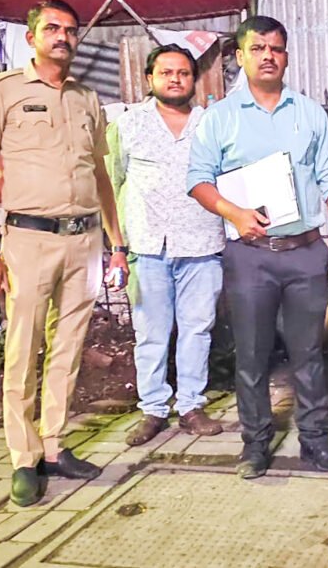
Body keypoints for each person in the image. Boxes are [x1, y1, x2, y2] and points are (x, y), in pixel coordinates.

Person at [0, 0, 128, 506]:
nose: (63, 36)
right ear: (32, 37)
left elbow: (100, 176)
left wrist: (117, 243)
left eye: (71, 30)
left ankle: (54, 445)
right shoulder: (2, 91)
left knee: (69, 347)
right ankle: (23, 457)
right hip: (28, 240)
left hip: (85, 241)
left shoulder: (87, 98)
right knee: (23, 350)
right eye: (53, 28)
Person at [188, 16, 328, 479]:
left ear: (286, 56)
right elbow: (198, 180)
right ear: (240, 57)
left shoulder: (309, 113)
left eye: (276, 49)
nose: (268, 56)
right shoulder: (220, 117)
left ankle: (314, 442)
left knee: (309, 354)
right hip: (250, 257)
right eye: (258, 48)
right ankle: (255, 445)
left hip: (305, 253)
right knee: (252, 355)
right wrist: (234, 213)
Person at [107, 44, 226, 446]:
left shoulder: (212, 124)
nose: (175, 79)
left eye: (183, 73)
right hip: (147, 247)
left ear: (194, 80)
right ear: (150, 78)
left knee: (197, 329)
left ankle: (191, 406)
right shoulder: (128, 125)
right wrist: (117, 245)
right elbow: (111, 183)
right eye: (166, 72)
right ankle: (154, 409)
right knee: (151, 333)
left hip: (202, 243)